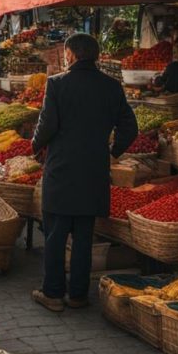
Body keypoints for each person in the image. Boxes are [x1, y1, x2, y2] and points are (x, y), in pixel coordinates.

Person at [31, 33, 138, 312]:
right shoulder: (112, 87)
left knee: (55, 235)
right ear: (97, 56)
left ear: (70, 55)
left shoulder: (57, 85)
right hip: (93, 172)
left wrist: (35, 146)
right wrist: (112, 153)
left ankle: (53, 293)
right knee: (83, 237)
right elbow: (130, 128)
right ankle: (78, 295)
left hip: (62, 171)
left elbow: (47, 124)